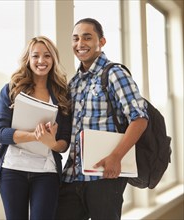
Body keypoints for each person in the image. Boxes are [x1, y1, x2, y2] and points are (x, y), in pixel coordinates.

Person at [55, 18, 149, 220]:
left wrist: (116, 157)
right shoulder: (74, 83)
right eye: (76, 38)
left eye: (87, 38)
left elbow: (140, 118)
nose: (80, 44)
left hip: (105, 177)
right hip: (72, 176)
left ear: (102, 41)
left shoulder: (115, 74)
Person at [0, 36, 71, 220]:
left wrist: (51, 143)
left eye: (47, 56)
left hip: (46, 172)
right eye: (35, 56)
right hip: (12, 170)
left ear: (54, 59)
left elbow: (64, 142)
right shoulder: (11, 89)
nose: (41, 61)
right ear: (28, 59)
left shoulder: (62, 94)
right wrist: (35, 136)